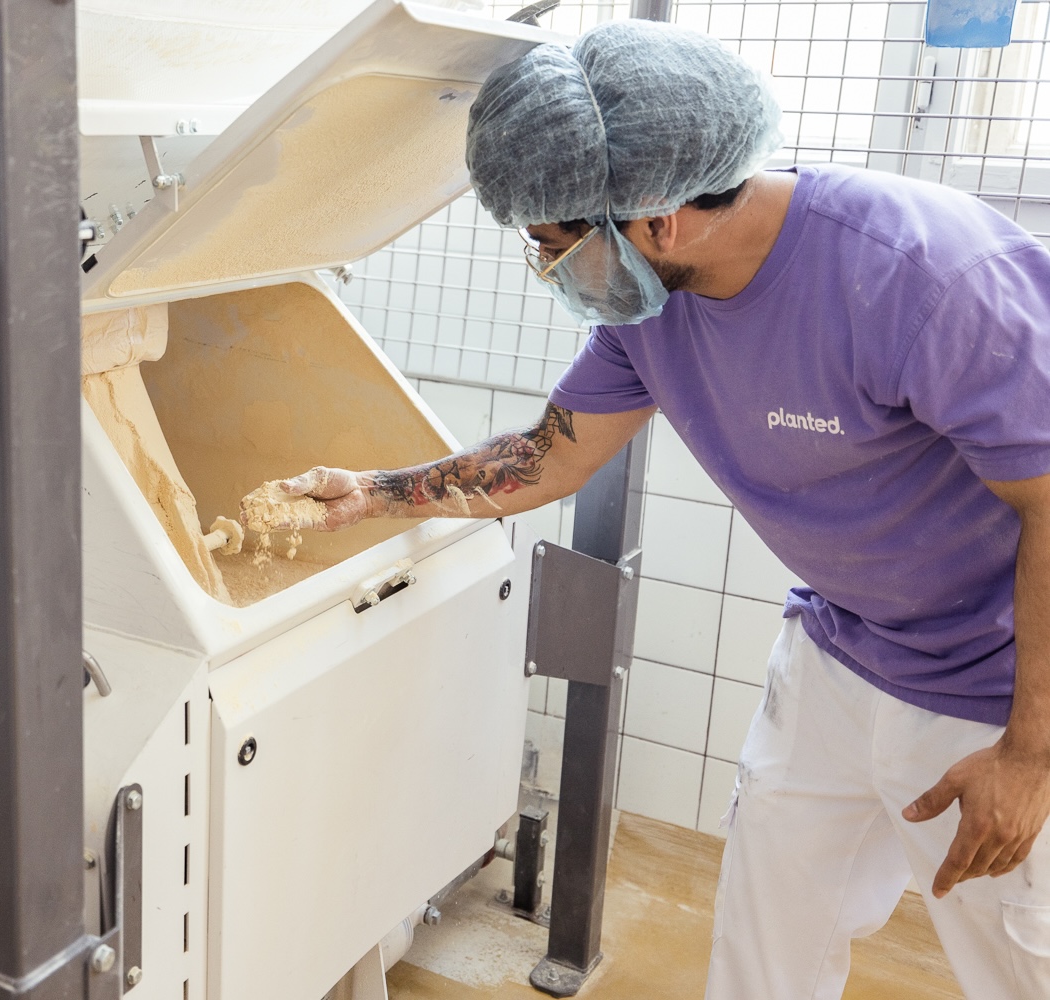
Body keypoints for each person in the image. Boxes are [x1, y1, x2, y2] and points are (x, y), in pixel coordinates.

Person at [246, 18, 1050, 999]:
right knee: (765, 944)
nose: (546, 269)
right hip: (844, 652)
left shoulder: (921, 272)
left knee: (1015, 959)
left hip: (998, 686)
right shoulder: (652, 308)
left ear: (658, 219)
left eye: (553, 244)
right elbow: (547, 459)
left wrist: (1028, 749)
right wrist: (370, 494)